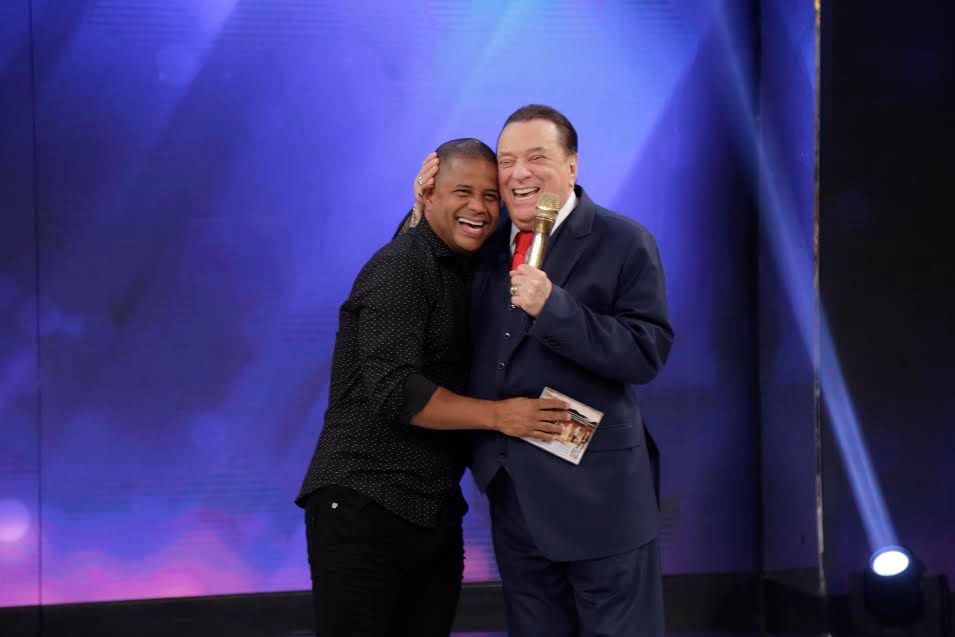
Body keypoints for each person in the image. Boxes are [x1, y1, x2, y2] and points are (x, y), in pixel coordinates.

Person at [411, 106, 674, 637]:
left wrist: (556, 309)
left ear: (572, 165)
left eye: (537, 157)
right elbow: (418, 279)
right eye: (507, 161)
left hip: (601, 495)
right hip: (513, 493)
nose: (518, 174)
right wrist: (422, 210)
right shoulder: (484, 242)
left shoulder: (624, 241)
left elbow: (646, 352)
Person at [296, 137, 569, 637]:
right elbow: (396, 390)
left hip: (432, 509)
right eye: (462, 191)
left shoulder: (467, 269)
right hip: (363, 504)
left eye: (490, 196)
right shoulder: (402, 266)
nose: (479, 207)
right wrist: (502, 415)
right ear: (428, 193)